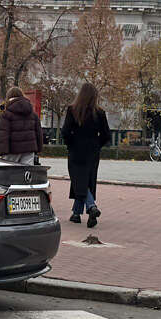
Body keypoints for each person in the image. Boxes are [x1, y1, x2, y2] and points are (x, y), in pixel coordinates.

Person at [62, 82, 111, 228]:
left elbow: (65, 131)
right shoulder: (100, 113)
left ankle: (91, 206)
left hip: (76, 150)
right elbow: (106, 135)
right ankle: (76, 213)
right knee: (86, 181)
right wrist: (97, 145)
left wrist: (71, 144)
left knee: (78, 181)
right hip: (92, 152)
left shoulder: (73, 110)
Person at [0, 87, 43, 165]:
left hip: (12, 150)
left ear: (8, 97)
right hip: (29, 149)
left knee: (10, 171)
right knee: (26, 171)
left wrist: (2, 151)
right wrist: (38, 149)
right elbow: (38, 133)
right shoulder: (33, 114)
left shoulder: (6, 114)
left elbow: (3, 134)